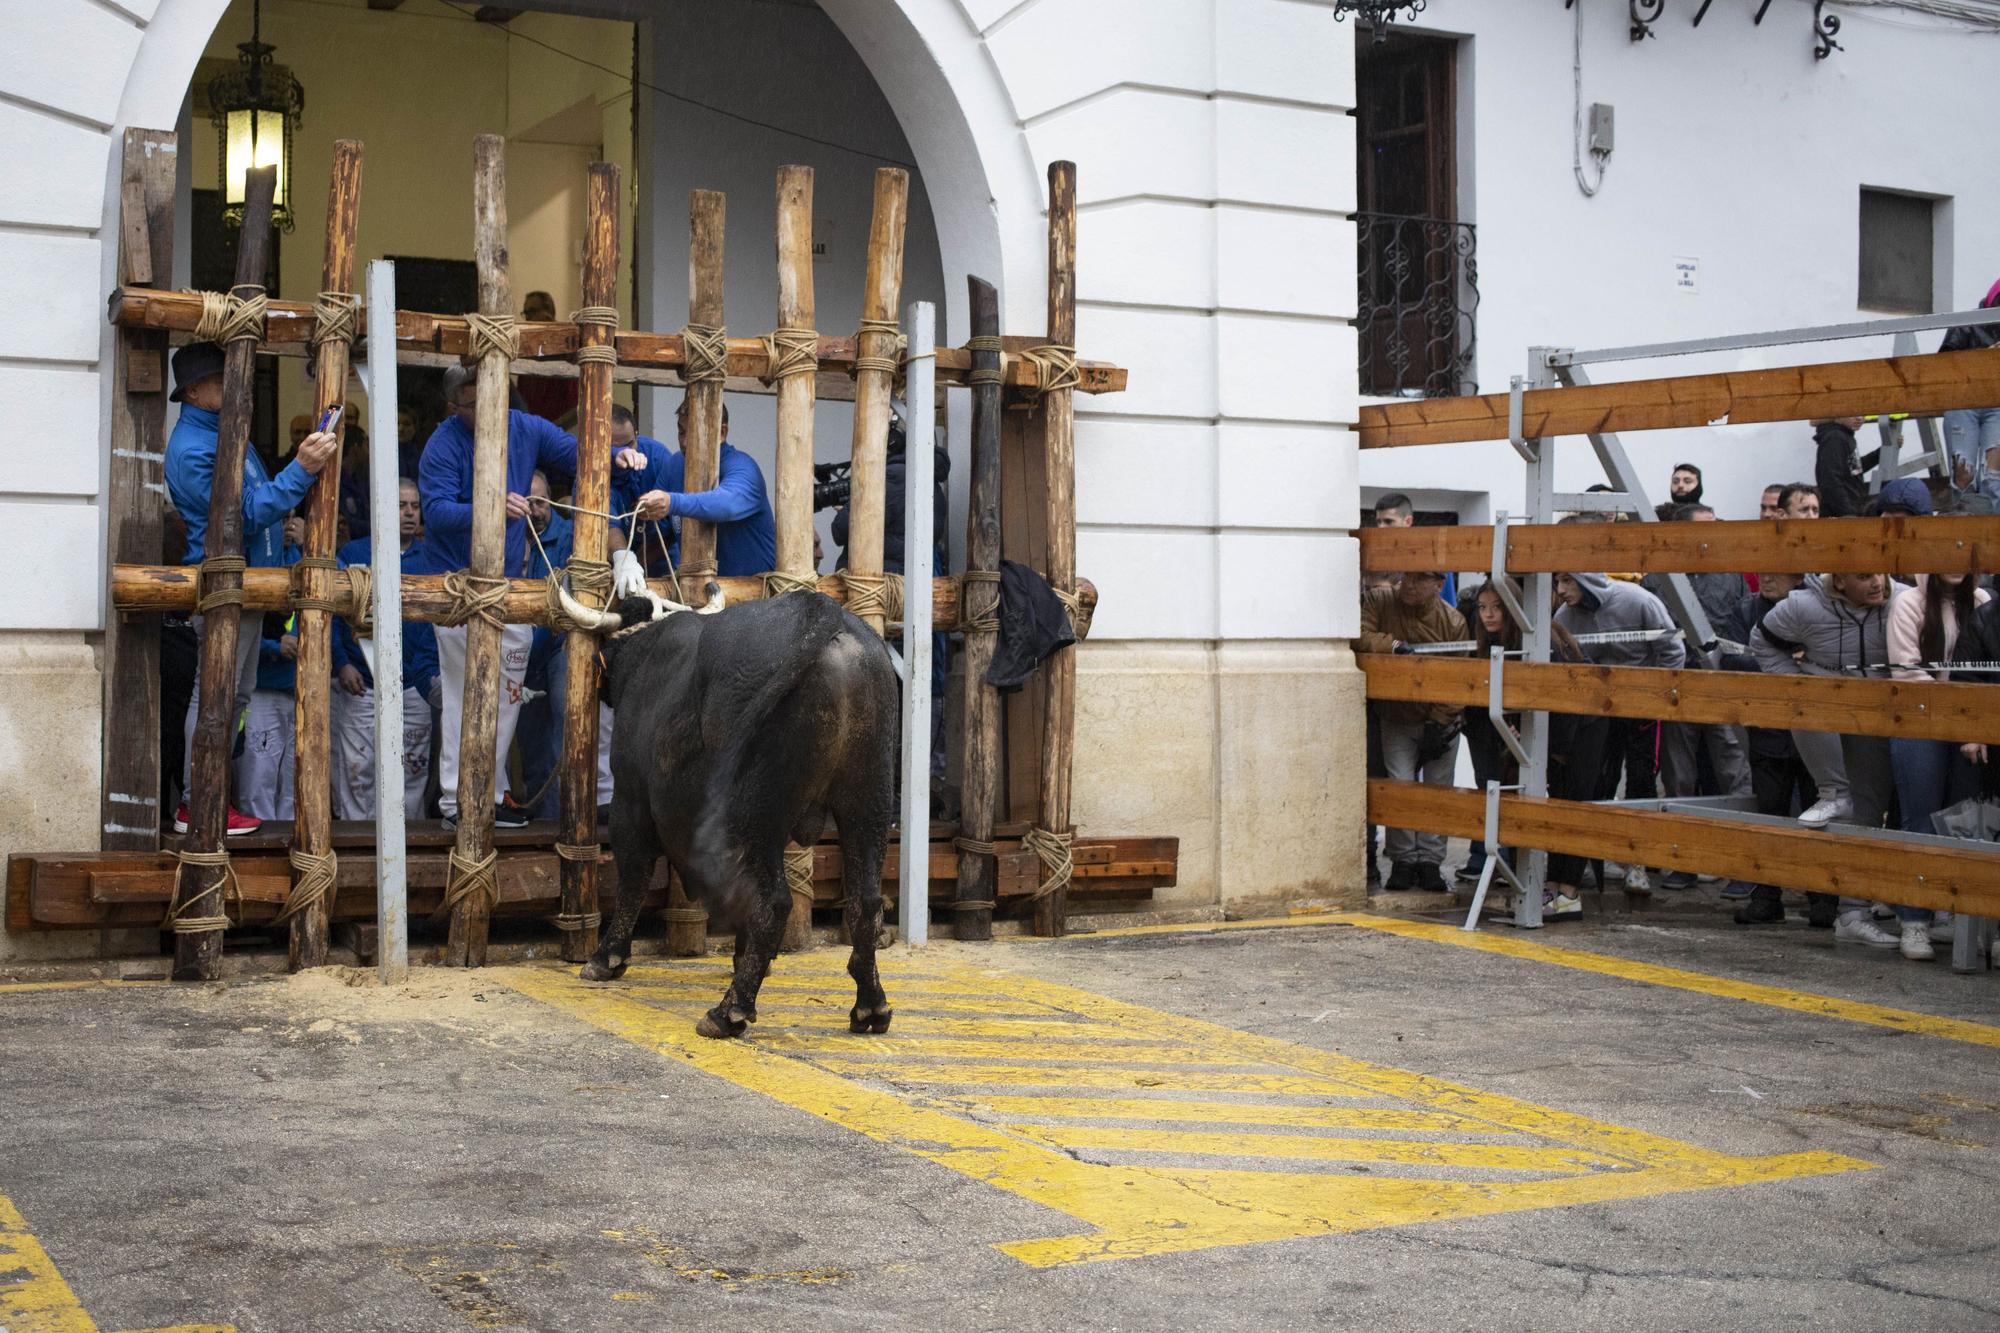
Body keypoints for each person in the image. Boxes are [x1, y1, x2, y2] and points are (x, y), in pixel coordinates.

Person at [418, 364, 641, 830]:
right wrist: (491, 505)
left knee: (506, 699)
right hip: (462, 588)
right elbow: (436, 513)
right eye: (471, 402)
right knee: (465, 697)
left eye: (490, 398)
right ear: (454, 405)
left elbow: (583, 454)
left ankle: (491, 793)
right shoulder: (442, 443)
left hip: (512, 586)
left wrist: (618, 456)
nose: (483, 409)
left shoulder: (527, 427)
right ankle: (457, 802)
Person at [163, 341, 339, 835]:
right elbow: (241, 516)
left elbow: (254, 508)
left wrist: (280, 537)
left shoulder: (215, 433)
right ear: (195, 392)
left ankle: (205, 801)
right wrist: (303, 468)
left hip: (247, 585)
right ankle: (198, 803)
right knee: (215, 697)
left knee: (229, 698)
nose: (234, 388)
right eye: (222, 380)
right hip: (226, 586)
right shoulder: (196, 447)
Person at [1751, 570, 1905, 950]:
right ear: (1839, 582)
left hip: (1879, 713)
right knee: (1843, 803)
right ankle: (1830, 792)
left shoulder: (1902, 599)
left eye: (1881, 574)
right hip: (1824, 709)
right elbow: (1762, 640)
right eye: (1864, 576)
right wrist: (1796, 685)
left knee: (1868, 811)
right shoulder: (1804, 604)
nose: (1877, 584)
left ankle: (1853, 913)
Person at [1463, 578, 1603, 920]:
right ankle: (1550, 887)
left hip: (1577, 731)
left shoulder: (1544, 639)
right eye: (1483, 608)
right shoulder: (1494, 643)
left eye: (1497, 607)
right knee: (1550, 811)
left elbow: (1565, 698)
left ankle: (1568, 892)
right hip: (1544, 736)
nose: (1488, 615)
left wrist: (1556, 751)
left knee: (1572, 806)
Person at [1554, 569, 1685, 894]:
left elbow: (1672, 652)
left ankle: (1636, 861)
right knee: (1595, 782)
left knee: (1641, 780)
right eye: (1558, 581)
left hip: (1642, 710)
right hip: (1595, 716)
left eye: (1568, 581)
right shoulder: (1564, 615)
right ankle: (1589, 858)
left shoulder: (1639, 600)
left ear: (1587, 580)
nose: (1560, 589)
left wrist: (1654, 701)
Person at [1642, 504, 1751, 888]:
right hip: (1677, 689)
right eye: (1705, 527)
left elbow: (1742, 629)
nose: (1713, 533)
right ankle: (1682, 859)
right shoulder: (1657, 580)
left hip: (1723, 688)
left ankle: (1742, 864)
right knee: (1679, 777)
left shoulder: (1731, 574)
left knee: (1736, 774)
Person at [1885, 566, 1988, 959]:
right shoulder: (1908, 603)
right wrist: (1958, 705)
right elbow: (1906, 672)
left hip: (1969, 729)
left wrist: (1971, 721)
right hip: (1920, 723)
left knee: (1963, 820)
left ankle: (1952, 913)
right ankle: (1914, 920)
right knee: (1921, 818)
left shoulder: (1983, 603)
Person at [329, 479, 441, 821]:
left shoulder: (432, 560)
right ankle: (356, 848)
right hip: (359, 684)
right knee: (356, 771)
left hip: (413, 687)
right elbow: (331, 615)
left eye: (414, 506)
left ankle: (408, 854)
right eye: (400, 505)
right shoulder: (354, 555)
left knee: (411, 770)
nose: (409, 512)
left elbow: (439, 625)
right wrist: (341, 662)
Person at [1717, 572, 1823, 925]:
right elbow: (1731, 660)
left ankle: (1823, 897)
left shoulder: (1818, 607)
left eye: (1776, 574)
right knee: (1769, 815)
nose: (1766, 579)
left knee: (1818, 815)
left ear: (1798, 577)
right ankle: (1767, 895)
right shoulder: (1746, 609)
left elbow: (1824, 662)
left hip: (1814, 730)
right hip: (1767, 731)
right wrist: (1791, 662)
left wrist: (1777, 664)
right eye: (1763, 572)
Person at [1357, 571, 1468, 892]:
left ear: (1438, 584)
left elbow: (1459, 677)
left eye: (1421, 580)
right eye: (1407, 578)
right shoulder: (1381, 600)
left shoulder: (1453, 620)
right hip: (1397, 715)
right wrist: (1391, 645)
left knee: (1438, 792)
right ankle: (1403, 860)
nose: (1409, 585)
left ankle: (1431, 862)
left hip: (1441, 719)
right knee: (1399, 788)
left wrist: (1439, 721)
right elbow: (1359, 633)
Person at [619, 400, 778, 577]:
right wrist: (629, 566)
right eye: (682, 432)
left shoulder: (743, 467)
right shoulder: (674, 466)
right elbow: (659, 533)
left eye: (694, 433)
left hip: (757, 597)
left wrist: (671, 502)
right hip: (697, 592)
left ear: (722, 433)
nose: (685, 442)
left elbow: (727, 505)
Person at [1942, 279, 2000, 502]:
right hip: (1963, 403)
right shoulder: (1967, 322)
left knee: (1994, 478)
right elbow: (1942, 365)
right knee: (1963, 476)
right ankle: (1962, 531)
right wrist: (1983, 357)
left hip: (1997, 405)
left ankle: (1994, 532)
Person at [1372, 493, 1455, 605]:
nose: (1381, 527)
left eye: (1388, 521)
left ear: (1408, 521)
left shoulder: (1432, 555)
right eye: (1379, 522)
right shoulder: (1374, 556)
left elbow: (1448, 604)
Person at [516, 291, 579, 425]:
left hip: (563, 420)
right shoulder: (528, 344)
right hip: (533, 422)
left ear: (548, 312)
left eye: (532, 311)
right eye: (526, 313)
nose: (528, 318)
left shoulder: (565, 340)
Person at [1813, 417, 1878, 519]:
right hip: (1842, 514)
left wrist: (1882, 452)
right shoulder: (1835, 437)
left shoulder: (1845, 436)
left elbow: (1855, 469)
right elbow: (1829, 479)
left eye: (1862, 413)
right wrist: (1847, 512)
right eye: (1853, 413)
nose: (1859, 418)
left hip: (1851, 508)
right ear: (1838, 416)